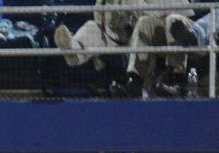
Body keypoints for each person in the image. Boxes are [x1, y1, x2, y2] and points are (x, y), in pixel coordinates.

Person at [53, 0, 194, 97]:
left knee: (149, 23)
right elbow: (100, 20)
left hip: (159, 39)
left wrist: (133, 4)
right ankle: (73, 49)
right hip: (126, 38)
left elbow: (184, 24)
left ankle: (170, 79)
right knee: (92, 27)